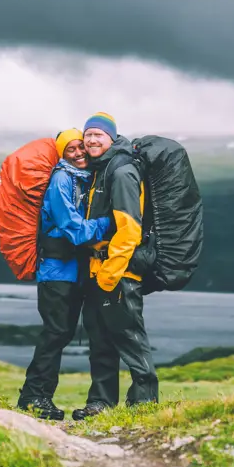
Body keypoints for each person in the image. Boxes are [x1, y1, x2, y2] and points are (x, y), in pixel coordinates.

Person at [17, 128, 110, 420]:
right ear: (61, 154)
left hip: (73, 271)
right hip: (56, 271)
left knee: (61, 332)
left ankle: (39, 397)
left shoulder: (84, 178)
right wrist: (113, 222)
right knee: (56, 332)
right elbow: (74, 229)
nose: (80, 153)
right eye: (71, 150)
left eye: (81, 147)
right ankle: (33, 398)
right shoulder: (61, 180)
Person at [72, 112, 159, 421]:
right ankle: (101, 404)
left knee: (129, 338)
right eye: (88, 135)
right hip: (100, 272)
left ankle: (144, 405)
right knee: (100, 340)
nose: (92, 140)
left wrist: (111, 271)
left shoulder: (121, 172)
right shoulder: (101, 170)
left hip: (119, 272)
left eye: (99, 135)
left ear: (112, 138)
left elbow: (129, 229)